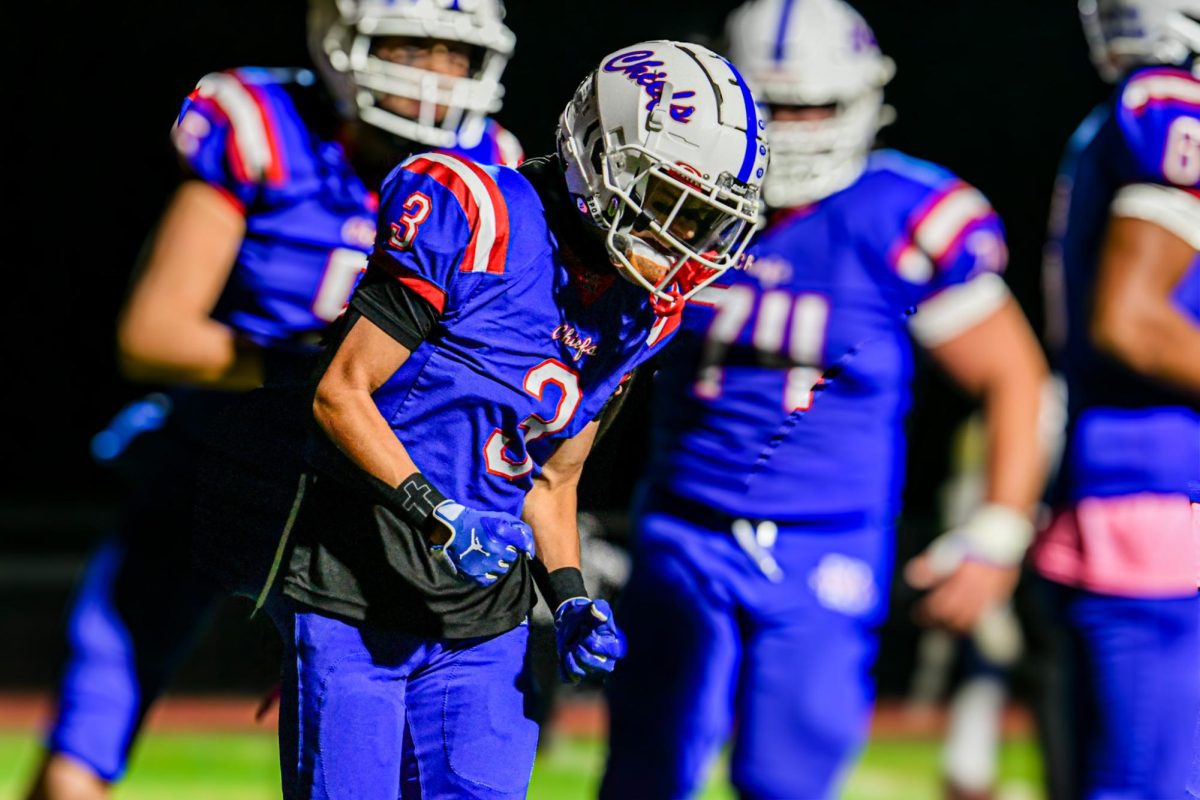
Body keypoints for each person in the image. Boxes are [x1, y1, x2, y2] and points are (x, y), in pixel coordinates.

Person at [25, 1, 523, 798]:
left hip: (360, 490)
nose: (434, 74)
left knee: (391, 745)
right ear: (340, 39)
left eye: (455, 54)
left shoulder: (488, 168)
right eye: (411, 45)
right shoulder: (267, 130)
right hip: (219, 455)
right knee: (97, 712)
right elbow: (155, 332)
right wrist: (308, 368)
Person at [268, 38, 767, 800]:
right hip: (356, 592)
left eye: (702, 218)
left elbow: (551, 479)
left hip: (484, 619)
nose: (682, 239)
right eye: (669, 201)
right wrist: (438, 513)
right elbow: (342, 394)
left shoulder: (643, 310)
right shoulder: (472, 211)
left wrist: (567, 595)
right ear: (602, 152)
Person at [600, 1, 1048, 797]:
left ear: (865, 99)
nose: (799, 128)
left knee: (787, 778)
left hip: (826, 542)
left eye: (818, 106)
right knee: (646, 774)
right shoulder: (678, 200)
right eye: (775, 106)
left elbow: (1011, 375)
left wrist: (999, 531)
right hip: (683, 526)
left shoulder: (899, 215)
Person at [1027, 1, 1200, 797]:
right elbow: (1133, 321)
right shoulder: (1172, 106)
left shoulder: (1128, 112)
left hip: (1131, 494)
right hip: (1154, 501)